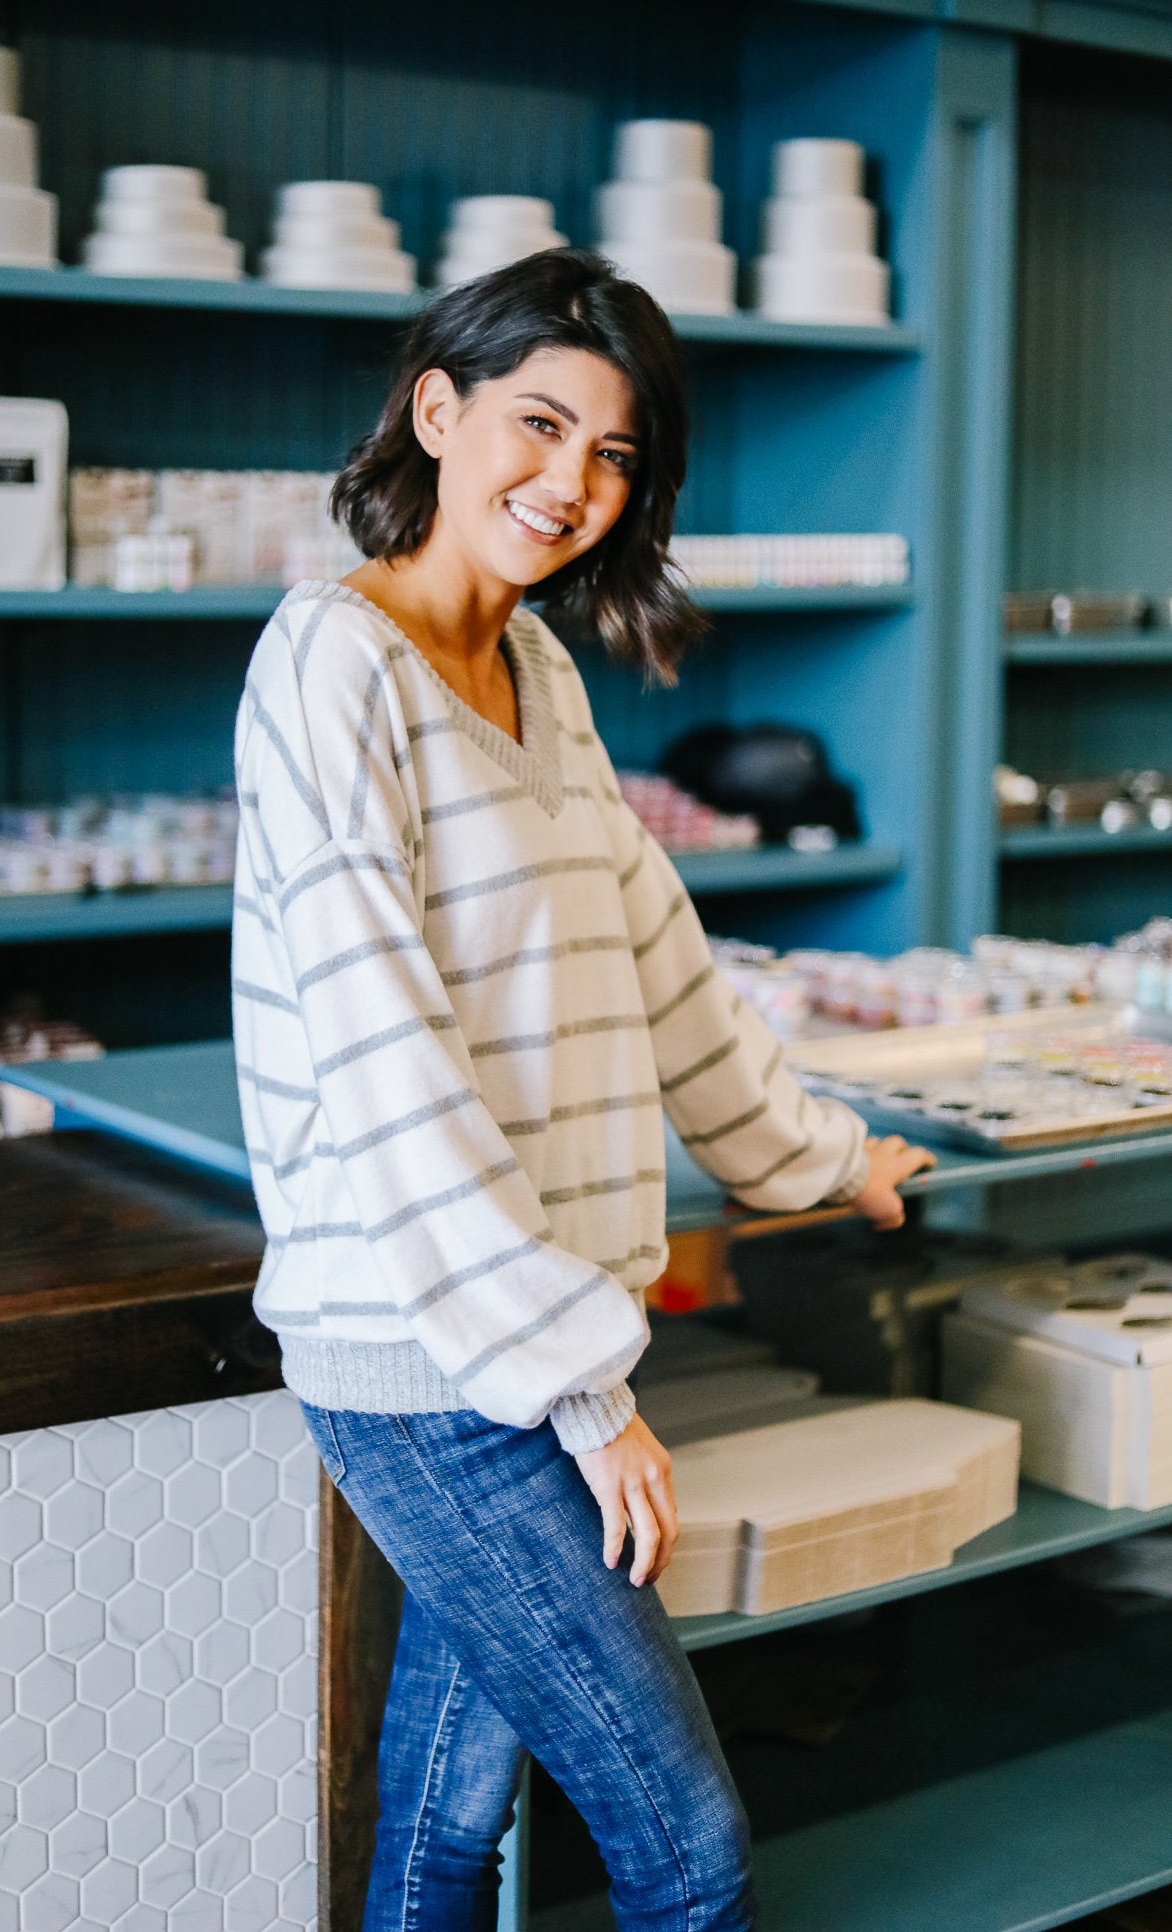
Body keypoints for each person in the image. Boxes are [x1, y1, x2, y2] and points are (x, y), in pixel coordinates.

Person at [232, 247, 932, 1931]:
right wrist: (586, 1395)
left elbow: (656, 954)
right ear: (436, 411)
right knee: (685, 1852)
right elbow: (386, 1065)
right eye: (538, 428)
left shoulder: (537, 673)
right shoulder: (332, 671)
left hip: (535, 1336)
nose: (572, 486)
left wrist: (819, 1157)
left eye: (615, 456)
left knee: (445, 1826)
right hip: (429, 1361)